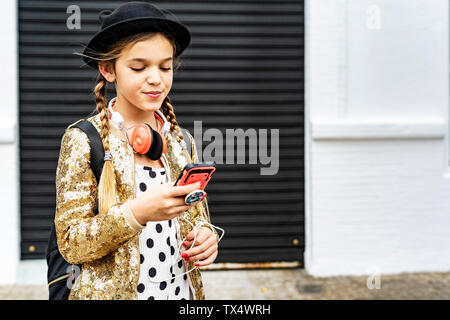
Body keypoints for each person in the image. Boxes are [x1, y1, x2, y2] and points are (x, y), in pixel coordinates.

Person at [54, 1, 221, 300]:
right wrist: (137, 213)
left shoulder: (180, 140)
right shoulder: (83, 139)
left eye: (165, 66)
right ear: (107, 69)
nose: (156, 78)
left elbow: (196, 216)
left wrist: (205, 236)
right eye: (139, 67)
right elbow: (70, 243)